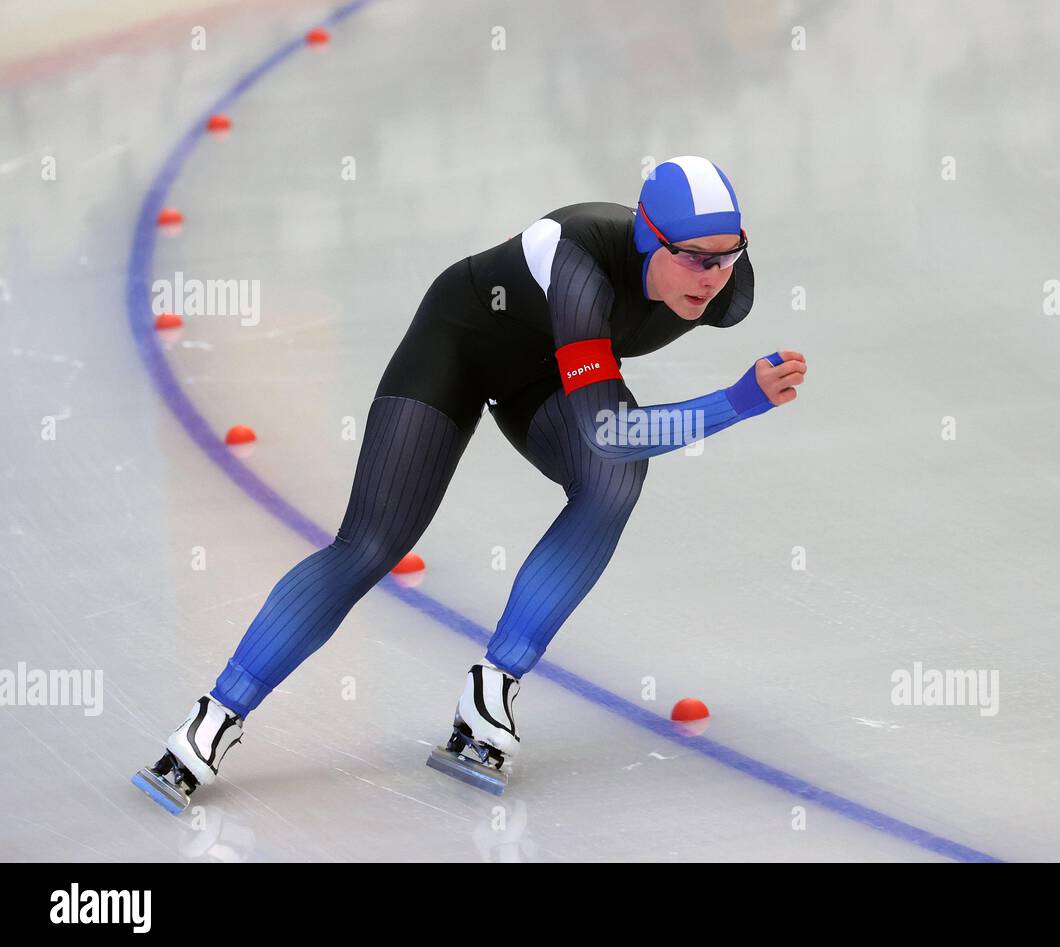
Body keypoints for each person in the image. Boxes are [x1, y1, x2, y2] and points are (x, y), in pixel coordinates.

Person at [132, 156, 808, 811]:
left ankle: (492, 685)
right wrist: (737, 401)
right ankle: (216, 714)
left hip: (544, 375)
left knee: (613, 482)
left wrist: (717, 291)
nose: (713, 276)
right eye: (694, 257)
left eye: (727, 256)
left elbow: (609, 439)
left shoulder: (729, 288)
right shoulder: (581, 264)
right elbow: (608, 428)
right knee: (372, 542)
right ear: (645, 237)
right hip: (458, 347)